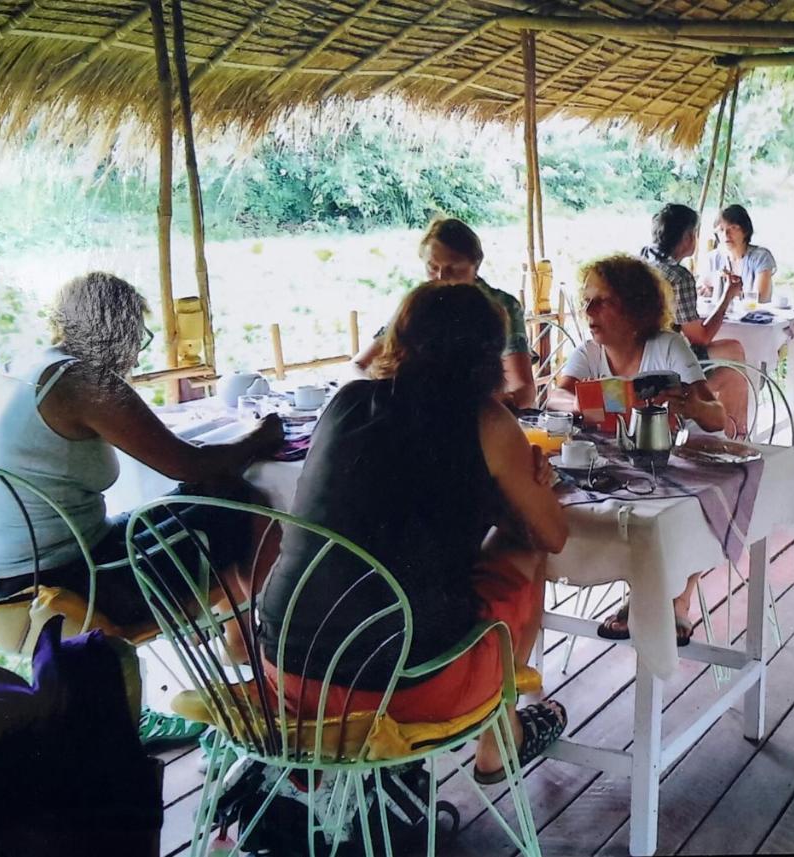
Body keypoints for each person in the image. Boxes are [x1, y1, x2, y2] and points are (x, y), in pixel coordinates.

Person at [260, 283, 569, 783]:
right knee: (524, 548)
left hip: (286, 672)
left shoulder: (347, 401)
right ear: (489, 353)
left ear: (398, 338)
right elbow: (552, 534)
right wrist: (533, 488)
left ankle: (319, 765)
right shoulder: (487, 421)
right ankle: (501, 735)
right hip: (404, 687)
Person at [0, 272, 283, 630]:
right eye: (138, 337)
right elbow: (187, 464)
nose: (137, 358)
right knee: (239, 503)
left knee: (211, 493)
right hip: (71, 580)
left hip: (6, 579)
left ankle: (236, 633)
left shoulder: (23, 368)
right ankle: (260, 636)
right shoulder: (83, 380)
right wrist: (260, 436)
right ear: (118, 329)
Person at [546, 255, 726, 645]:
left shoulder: (667, 346)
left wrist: (690, 405)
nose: (588, 310)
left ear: (634, 308)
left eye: (602, 301)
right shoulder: (591, 352)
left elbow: (716, 417)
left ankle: (678, 599)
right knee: (611, 509)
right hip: (619, 463)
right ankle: (641, 589)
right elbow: (554, 396)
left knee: (685, 508)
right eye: (587, 300)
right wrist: (585, 403)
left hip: (676, 457)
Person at [353, 218, 537, 409]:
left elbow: (523, 389)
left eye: (453, 268)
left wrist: (487, 412)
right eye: (433, 268)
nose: (441, 277)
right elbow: (359, 365)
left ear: (476, 264)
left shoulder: (499, 306)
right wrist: (380, 399)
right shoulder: (419, 304)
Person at [641, 203, 749, 436]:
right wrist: (728, 296)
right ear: (689, 237)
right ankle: (733, 437)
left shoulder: (642, 259)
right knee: (735, 356)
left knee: (733, 364)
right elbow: (700, 338)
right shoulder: (679, 277)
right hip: (665, 365)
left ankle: (727, 431)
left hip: (639, 355)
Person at [701, 204, 777, 304]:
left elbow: (761, 298)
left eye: (733, 228)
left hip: (752, 318)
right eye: (721, 230)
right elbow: (700, 290)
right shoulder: (713, 258)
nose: (726, 235)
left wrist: (726, 292)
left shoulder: (761, 257)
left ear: (745, 230)